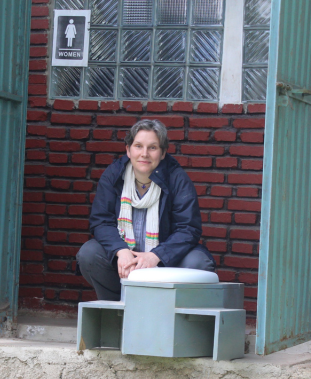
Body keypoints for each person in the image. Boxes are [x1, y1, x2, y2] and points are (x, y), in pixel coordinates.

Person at [76, 119, 215, 301]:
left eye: (152, 147)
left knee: (198, 263)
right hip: (126, 257)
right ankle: (118, 307)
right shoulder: (114, 175)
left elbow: (188, 229)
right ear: (128, 150)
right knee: (88, 253)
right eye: (138, 146)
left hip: (163, 260)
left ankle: (168, 310)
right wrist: (121, 251)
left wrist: (156, 256)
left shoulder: (177, 178)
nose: (144, 154)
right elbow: (101, 221)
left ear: (163, 152)